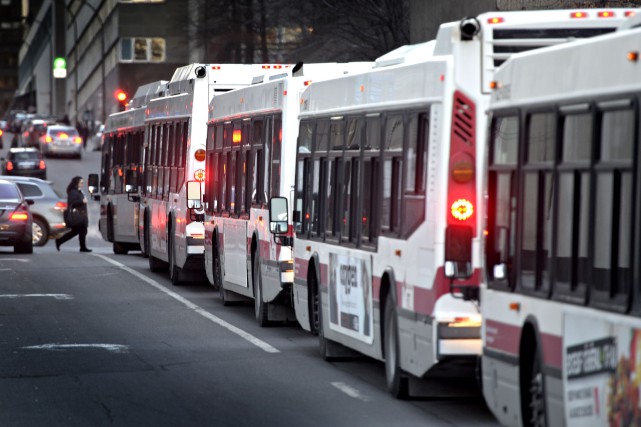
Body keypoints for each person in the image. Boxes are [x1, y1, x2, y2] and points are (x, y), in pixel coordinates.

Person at [56, 176, 92, 252]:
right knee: (78, 231)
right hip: (77, 215)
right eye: (81, 182)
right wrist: (82, 201)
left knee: (81, 231)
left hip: (81, 215)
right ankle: (60, 241)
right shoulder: (73, 192)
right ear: (77, 183)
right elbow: (72, 203)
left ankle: (82, 247)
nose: (82, 184)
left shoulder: (79, 191)